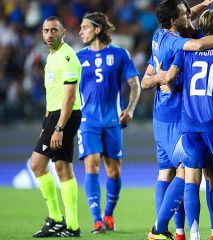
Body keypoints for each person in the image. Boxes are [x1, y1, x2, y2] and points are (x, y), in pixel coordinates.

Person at [141, 0, 213, 239]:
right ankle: (165, 230)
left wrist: (201, 5)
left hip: (176, 118)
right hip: (180, 117)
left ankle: (185, 232)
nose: (189, 17)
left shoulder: (161, 37)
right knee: (187, 173)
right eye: (184, 14)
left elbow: (150, 80)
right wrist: (166, 79)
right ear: (173, 20)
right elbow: (198, 45)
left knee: (172, 172)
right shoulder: (185, 45)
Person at [76, 12, 141, 234]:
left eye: (84, 27)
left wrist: (130, 110)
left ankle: (108, 214)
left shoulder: (120, 54)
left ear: (97, 29)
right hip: (88, 122)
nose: (80, 31)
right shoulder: (77, 58)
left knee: (113, 173)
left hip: (113, 121)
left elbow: (135, 84)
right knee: (91, 163)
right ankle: (96, 220)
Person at [30, 16, 82, 237]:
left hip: (65, 116)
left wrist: (58, 128)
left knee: (37, 165)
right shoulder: (51, 57)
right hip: (54, 116)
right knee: (62, 169)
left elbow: (69, 98)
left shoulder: (68, 57)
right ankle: (71, 226)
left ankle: (55, 219)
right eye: (46, 31)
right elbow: (53, 96)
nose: (49, 34)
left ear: (63, 32)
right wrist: (46, 125)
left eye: (54, 30)